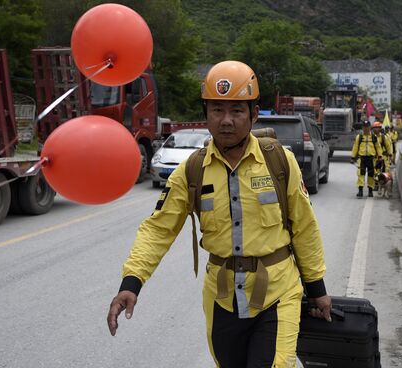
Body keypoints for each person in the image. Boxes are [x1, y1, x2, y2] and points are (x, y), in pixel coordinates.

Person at [106, 60, 331, 368]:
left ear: (253, 113)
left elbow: (305, 227)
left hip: (277, 295)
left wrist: (317, 289)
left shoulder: (280, 161)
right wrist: (131, 284)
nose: (226, 121)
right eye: (217, 110)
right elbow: (158, 230)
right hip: (222, 299)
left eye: (237, 110)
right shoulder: (192, 170)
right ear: (206, 114)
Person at [351, 120, 382, 197]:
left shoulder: (374, 137)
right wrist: (353, 157)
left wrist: (380, 156)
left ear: (369, 127)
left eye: (367, 127)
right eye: (364, 127)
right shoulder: (359, 137)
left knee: (371, 175)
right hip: (362, 159)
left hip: (371, 159)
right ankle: (360, 191)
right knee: (361, 174)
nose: (366, 129)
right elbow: (355, 147)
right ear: (362, 127)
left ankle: (370, 191)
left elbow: (378, 147)